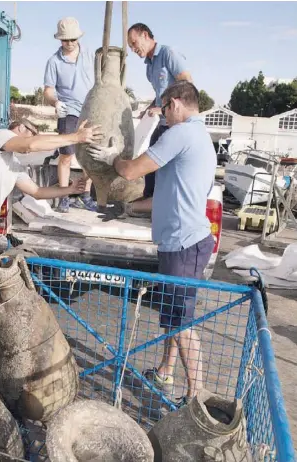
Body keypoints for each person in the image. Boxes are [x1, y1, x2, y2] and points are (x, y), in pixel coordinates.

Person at [87, 81, 216, 404]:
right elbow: (172, 192)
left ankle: (196, 396)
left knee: (182, 322)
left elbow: (131, 172)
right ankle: (165, 370)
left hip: (182, 244)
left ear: (174, 103)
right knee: (174, 316)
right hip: (189, 241)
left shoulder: (181, 133)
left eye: (164, 110)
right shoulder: (201, 137)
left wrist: (114, 158)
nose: (163, 118)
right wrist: (132, 207)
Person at [0, 118, 102, 345]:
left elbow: (36, 191)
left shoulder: (13, 164)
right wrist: (75, 138)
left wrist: (69, 189)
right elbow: (30, 145)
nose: (33, 137)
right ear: (19, 128)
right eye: (32, 132)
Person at [127, 23, 192, 214]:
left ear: (145, 35)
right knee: (151, 155)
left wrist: (164, 108)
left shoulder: (168, 54)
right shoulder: (149, 67)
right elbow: (159, 95)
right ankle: (149, 199)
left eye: (134, 43)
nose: (133, 49)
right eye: (130, 46)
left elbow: (187, 85)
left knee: (169, 167)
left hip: (177, 122)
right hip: (163, 121)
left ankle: (165, 205)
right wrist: (149, 109)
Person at [44, 17, 96, 213]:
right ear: (60, 40)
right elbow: (48, 89)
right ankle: (64, 196)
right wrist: (55, 102)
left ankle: (85, 196)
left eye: (73, 39)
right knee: (66, 156)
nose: (70, 43)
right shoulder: (53, 61)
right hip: (69, 112)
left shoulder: (91, 55)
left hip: (91, 110)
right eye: (66, 40)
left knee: (90, 157)